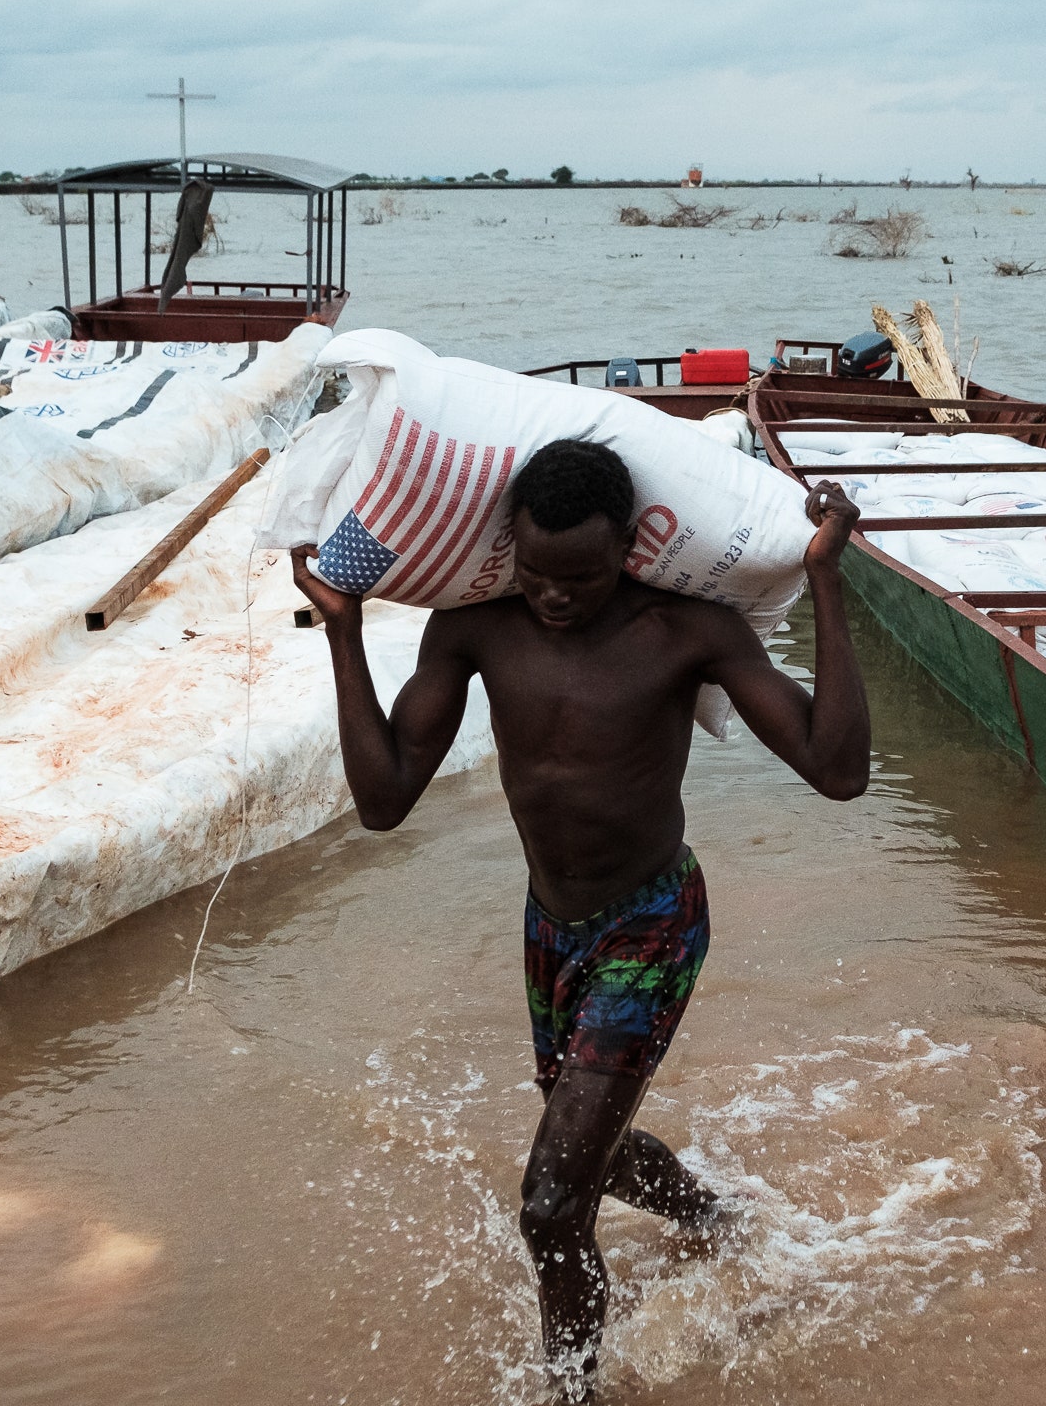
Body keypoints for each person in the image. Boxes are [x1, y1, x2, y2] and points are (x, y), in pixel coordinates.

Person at [289, 439, 870, 1398]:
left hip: (652, 923)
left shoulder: (687, 633)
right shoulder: (474, 630)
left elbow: (838, 770)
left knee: (551, 1204)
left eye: (583, 577)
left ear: (630, 550)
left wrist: (827, 585)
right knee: (581, 1145)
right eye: (538, 573)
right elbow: (384, 798)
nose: (556, 597)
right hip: (550, 928)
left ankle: (571, 1393)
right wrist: (344, 633)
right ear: (509, 549)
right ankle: (716, 1219)